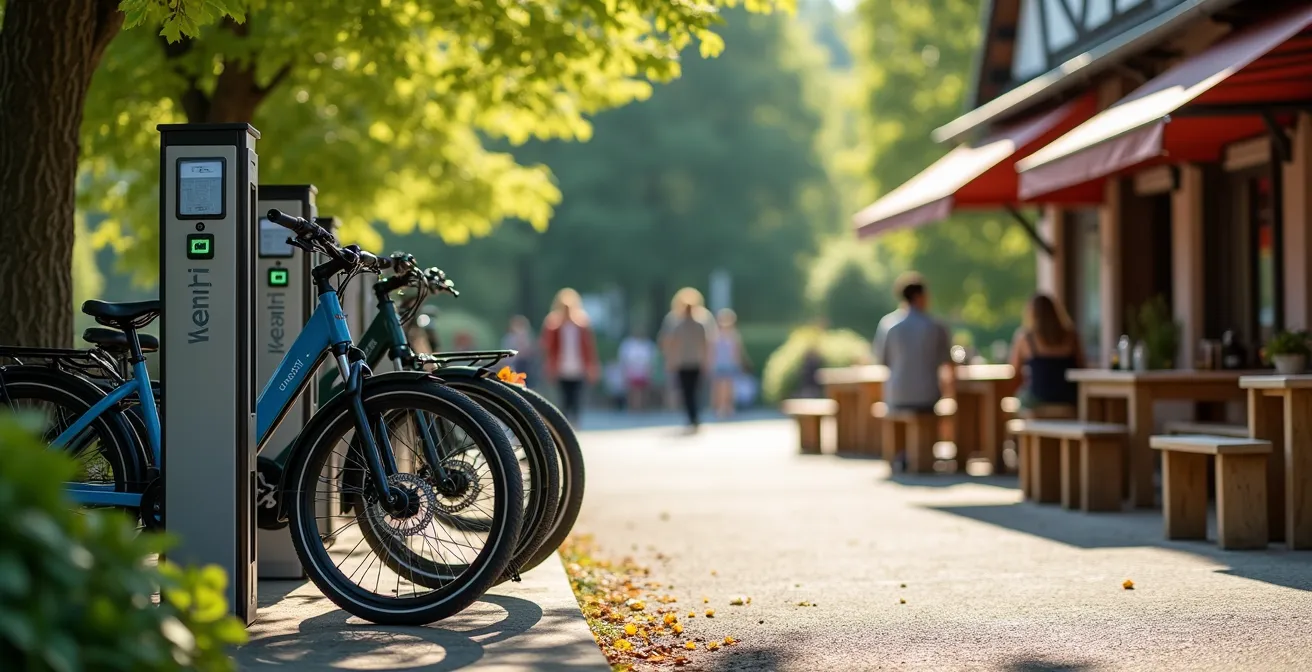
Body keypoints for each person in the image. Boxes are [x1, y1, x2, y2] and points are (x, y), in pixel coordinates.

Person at [874, 272, 955, 420]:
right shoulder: (935, 326)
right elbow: (948, 363)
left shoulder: (888, 325)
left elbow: (883, 360)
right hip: (928, 397)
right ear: (920, 297)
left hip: (896, 396)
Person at [1008, 294, 1084, 408]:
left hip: (1037, 399)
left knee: (1014, 401)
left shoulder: (1025, 338)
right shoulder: (1071, 336)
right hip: (1069, 398)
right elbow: (1082, 366)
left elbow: (1014, 371)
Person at [540, 288, 600, 424]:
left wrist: (592, 366)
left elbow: (589, 348)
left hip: (578, 367)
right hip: (560, 368)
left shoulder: (582, 325)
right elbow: (546, 347)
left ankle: (575, 421)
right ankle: (565, 422)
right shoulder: (553, 325)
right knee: (564, 397)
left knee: (576, 396)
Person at [660, 288, 715, 431]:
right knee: (693, 391)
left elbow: (668, 342)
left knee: (688, 391)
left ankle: (693, 416)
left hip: (684, 361)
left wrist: (670, 359)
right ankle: (694, 416)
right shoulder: (698, 322)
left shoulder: (678, 323)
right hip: (693, 361)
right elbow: (707, 343)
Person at [710, 309, 749, 418]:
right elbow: (711, 351)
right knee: (718, 388)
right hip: (719, 364)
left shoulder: (734, 335)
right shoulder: (715, 335)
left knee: (729, 388)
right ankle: (718, 408)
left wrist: (739, 363)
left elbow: (737, 351)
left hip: (730, 365)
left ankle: (728, 407)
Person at [618, 327, 657, 411]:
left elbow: (651, 359)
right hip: (632, 370)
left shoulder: (647, 344)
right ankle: (632, 407)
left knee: (643, 390)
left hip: (643, 370)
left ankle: (642, 406)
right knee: (633, 390)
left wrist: (650, 370)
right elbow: (624, 359)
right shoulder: (628, 344)